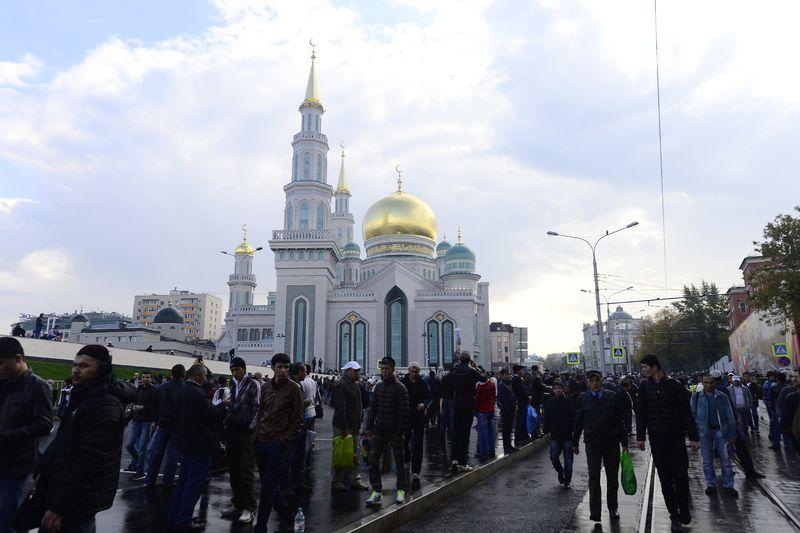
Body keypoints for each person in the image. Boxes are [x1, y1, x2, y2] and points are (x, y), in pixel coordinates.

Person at [37, 345, 136, 533]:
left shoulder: (104, 405)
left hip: (78, 499)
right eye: (74, 365)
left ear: (102, 370)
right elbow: (63, 439)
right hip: (70, 493)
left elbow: (89, 461)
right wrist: (42, 467)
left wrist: (59, 506)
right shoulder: (83, 395)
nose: (75, 370)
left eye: (83, 366)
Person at [637, 355, 699, 533]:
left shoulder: (674, 386)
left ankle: (684, 506)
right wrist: (641, 436)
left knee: (681, 475)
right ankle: (674, 515)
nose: (643, 370)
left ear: (655, 367)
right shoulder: (644, 387)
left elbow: (685, 412)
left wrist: (694, 437)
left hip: (676, 437)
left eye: (645, 367)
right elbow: (641, 413)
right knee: (664, 478)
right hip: (656, 438)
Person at [0, 337, 53, 532]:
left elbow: (45, 424)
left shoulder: (38, 386)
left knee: (8, 521)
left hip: (15, 465)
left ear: (17, 358)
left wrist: (8, 435)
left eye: (1, 364)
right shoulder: (4, 382)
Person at [167, 363, 227, 531]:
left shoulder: (183, 391)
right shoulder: (198, 394)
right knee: (194, 484)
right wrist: (223, 405)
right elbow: (210, 415)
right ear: (199, 376)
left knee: (183, 482)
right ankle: (184, 519)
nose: (207, 378)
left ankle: (175, 515)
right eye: (205, 375)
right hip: (200, 445)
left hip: (186, 442)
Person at [252, 353, 304, 533]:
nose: (283, 370)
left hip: (277, 443)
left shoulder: (293, 389)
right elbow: (261, 412)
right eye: (280, 367)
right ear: (273, 367)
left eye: (286, 367)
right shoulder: (265, 387)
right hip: (261, 442)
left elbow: (298, 419)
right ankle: (289, 516)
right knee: (270, 485)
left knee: (267, 487)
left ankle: (260, 526)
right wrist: (256, 436)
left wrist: (284, 441)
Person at [573, 369, 626, 524]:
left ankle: (612, 507)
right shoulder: (583, 399)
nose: (595, 383)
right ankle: (595, 512)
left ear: (601, 381)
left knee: (612, 478)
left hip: (611, 443)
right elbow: (579, 422)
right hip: (592, 443)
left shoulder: (611, 397)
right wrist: (575, 442)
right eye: (592, 381)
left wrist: (625, 443)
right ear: (588, 382)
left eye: (597, 380)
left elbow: (619, 421)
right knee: (594, 477)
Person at [365, 356, 410, 506]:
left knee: (399, 462)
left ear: (393, 370)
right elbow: (373, 409)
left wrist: (400, 432)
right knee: (372, 461)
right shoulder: (378, 387)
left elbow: (404, 413)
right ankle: (377, 491)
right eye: (382, 369)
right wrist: (369, 427)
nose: (384, 372)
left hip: (394, 431)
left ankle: (401, 489)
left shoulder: (400, 388)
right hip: (379, 430)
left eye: (387, 369)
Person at [220, 357, 260, 524]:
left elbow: (257, 409)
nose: (234, 373)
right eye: (232, 370)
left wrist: (250, 429)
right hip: (232, 432)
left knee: (245, 470)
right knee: (234, 469)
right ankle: (237, 504)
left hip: (245, 433)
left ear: (243, 369)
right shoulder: (234, 385)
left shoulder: (253, 384)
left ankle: (249, 508)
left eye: (237, 370)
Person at [690, 374, 738, 497]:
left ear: (714, 383)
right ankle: (711, 484)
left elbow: (729, 415)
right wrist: (693, 435)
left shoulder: (721, 397)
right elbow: (692, 415)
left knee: (726, 459)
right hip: (704, 431)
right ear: (702, 382)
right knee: (707, 460)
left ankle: (729, 485)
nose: (708, 385)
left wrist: (732, 433)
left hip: (720, 431)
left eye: (711, 383)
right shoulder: (697, 397)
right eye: (706, 383)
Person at [144, 364, 185, 488]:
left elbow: (154, 406)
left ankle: (150, 479)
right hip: (177, 425)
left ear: (171, 374)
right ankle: (167, 481)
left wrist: (157, 421)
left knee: (156, 452)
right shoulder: (184, 389)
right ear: (183, 375)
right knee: (172, 454)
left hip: (162, 424)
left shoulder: (161, 388)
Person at [331, 361, 369, 491]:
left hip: (353, 426)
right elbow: (340, 408)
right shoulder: (341, 385)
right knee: (341, 453)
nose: (358, 373)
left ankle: (355, 479)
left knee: (354, 453)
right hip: (343, 427)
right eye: (356, 371)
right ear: (348, 371)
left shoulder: (355, 385)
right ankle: (337, 480)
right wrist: (343, 428)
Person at [450, 352, 486, 473]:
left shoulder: (454, 369)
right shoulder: (471, 371)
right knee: (465, 433)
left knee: (456, 432)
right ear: (469, 360)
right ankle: (462, 462)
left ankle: (454, 460)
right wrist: (475, 366)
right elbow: (484, 377)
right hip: (467, 402)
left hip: (457, 402)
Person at [401, 361, 432, 488]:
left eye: (416, 372)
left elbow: (429, 397)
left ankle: (416, 472)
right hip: (406, 416)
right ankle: (407, 456)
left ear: (419, 372)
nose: (414, 374)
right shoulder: (403, 382)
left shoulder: (423, 383)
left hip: (419, 417)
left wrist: (424, 404)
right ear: (408, 371)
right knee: (403, 441)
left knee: (418, 444)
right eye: (412, 371)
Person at [542, 381, 576, 488]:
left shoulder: (569, 402)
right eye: (555, 388)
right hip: (555, 436)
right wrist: (545, 431)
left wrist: (575, 432)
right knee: (553, 457)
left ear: (563, 390)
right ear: (553, 390)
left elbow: (574, 418)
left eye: (559, 388)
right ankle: (560, 472)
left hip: (568, 436)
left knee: (568, 461)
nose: (557, 390)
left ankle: (567, 481)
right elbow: (547, 417)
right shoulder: (551, 402)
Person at [126, 371, 157, 480]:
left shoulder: (154, 390)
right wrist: (127, 419)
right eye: (144, 377)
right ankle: (141, 463)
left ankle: (140, 470)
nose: (145, 379)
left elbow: (155, 408)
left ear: (151, 378)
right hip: (136, 420)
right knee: (129, 445)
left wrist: (143, 407)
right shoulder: (138, 389)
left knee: (143, 447)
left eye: (147, 377)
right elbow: (134, 404)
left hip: (147, 422)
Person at [474, 373, 497, 460]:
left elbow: (477, 400)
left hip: (482, 411)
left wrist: (475, 410)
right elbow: (494, 396)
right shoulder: (492, 384)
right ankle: (492, 451)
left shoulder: (479, 387)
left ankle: (484, 453)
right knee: (491, 431)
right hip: (490, 409)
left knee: (483, 433)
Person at [496, 367, 517, 454]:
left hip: (511, 409)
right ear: (501, 376)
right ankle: (506, 447)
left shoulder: (508, 384)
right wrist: (507, 409)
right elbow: (502, 399)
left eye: (508, 374)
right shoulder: (501, 385)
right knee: (506, 429)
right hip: (506, 410)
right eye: (506, 374)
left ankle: (509, 446)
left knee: (509, 429)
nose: (508, 376)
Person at [511, 364, 531, 446]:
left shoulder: (519, 379)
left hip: (524, 402)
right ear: (517, 371)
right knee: (520, 422)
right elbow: (520, 392)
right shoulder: (515, 379)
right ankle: (518, 439)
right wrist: (527, 397)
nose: (522, 371)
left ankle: (523, 437)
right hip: (520, 402)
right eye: (521, 370)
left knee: (523, 421)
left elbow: (525, 389)